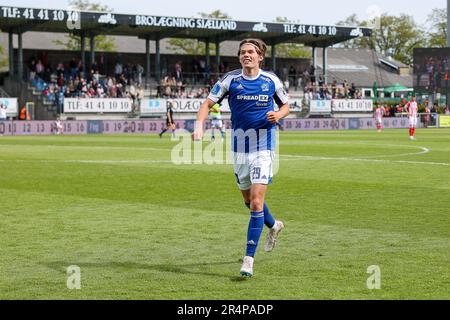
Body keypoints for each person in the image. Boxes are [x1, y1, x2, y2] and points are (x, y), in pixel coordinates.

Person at [193, 38, 290, 277]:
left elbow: (286, 105)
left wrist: (277, 114)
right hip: (239, 148)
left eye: (251, 52)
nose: (246, 55)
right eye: (243, 52)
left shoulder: (271, 81)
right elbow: (207, 104)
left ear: (260, 57)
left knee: (256, 202)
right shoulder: (230, 80)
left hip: (263, 147)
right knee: (248, 202)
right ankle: (274, 225)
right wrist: (199, 126)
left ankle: (248, 260)